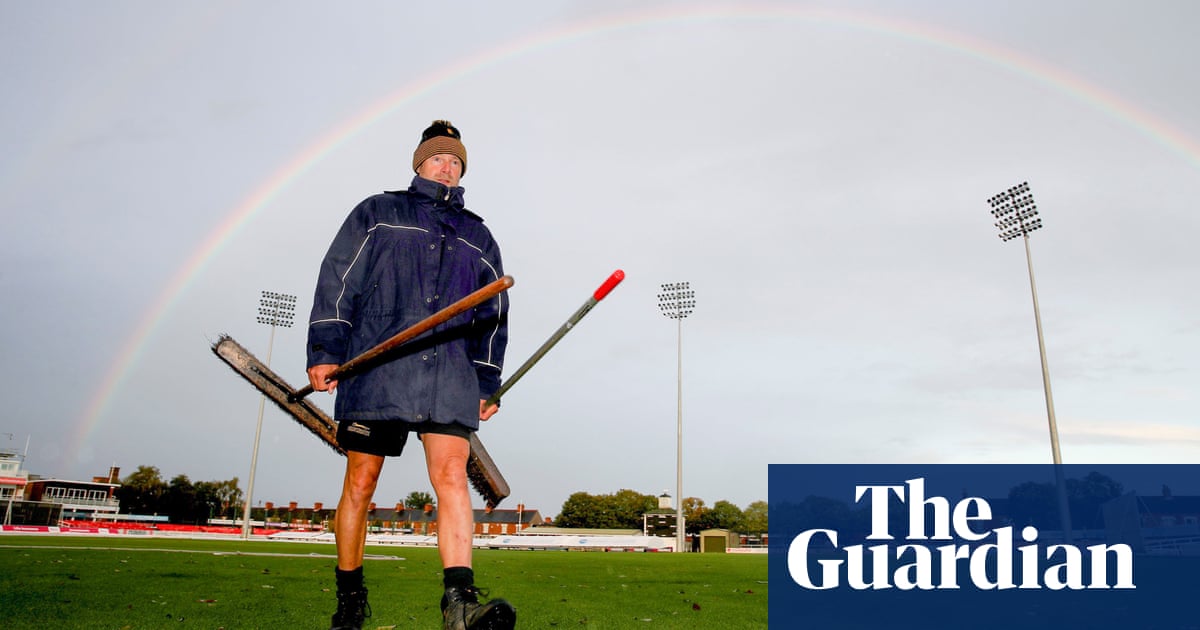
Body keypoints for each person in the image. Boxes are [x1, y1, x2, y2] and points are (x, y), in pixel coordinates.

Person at [305, 120, 516, 630]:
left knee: (452, 476)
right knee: (361, 480)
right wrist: (327, 348)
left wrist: (487, 382)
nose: (447, 167)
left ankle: (459, 603)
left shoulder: (479, 236)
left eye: (456, 161)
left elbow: (493, 317)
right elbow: (338, 280)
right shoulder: (377, 212)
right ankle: (350, 600)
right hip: (379, 367)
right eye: (438, 158)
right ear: (419, 163)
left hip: (450, 374)